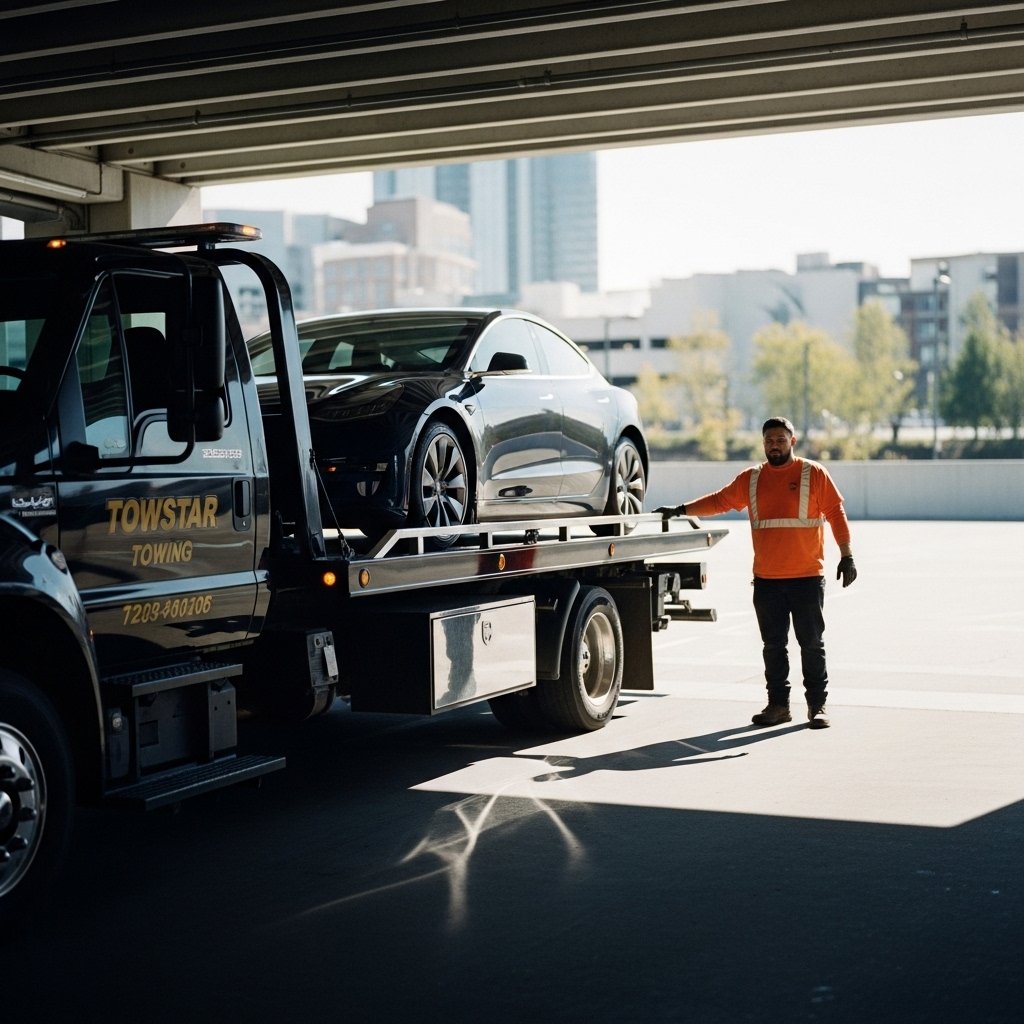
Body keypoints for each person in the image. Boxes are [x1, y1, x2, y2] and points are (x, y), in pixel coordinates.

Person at [657, 417, 856, 729]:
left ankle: (818, 706)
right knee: (773, 647)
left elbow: (835, 513)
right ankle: (778, 706)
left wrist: (847, 555)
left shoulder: (813, 473)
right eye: (768, 440)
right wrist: (681, 510)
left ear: (793, 441)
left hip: (806, 578)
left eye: (780, 439)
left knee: (811, 644)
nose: (773, 445)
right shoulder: (751, 479)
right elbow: (719, 501)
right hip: (767, 580)